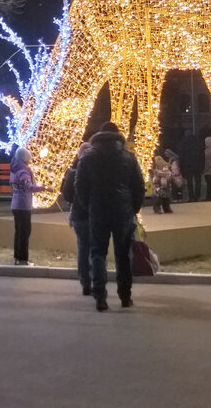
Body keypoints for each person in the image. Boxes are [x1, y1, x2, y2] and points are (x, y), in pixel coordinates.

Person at [76, 122, 146, 311]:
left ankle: (100, 297)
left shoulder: (88, 158)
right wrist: (132, 208)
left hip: (98, 210)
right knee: (123, 254)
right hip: (122, 211)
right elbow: (139, 187)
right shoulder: (128, 158)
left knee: (97, 252)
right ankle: (125, 296)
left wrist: (89, 205)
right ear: (118, 137)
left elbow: (80, 187)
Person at [61, 143, 92, 295]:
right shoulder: (96, 171)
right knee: (97, 249)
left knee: (82, 248)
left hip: (78, 215)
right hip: (94, 215)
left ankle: (85, 281)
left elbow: (66, 195)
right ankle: (96, 278)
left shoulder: (73, 172)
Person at [9, 146, 45, 266]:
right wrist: (44, 188)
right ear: (25, 158)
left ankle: (17, 257)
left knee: (18, 232)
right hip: (23, 205)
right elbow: (29, 187)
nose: (30, 161)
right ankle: (23, 259)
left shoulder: (13, 170)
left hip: (15, 204)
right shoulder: (23, 171)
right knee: (24, 233)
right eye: (29, 158)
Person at [178, 130, 203, 202]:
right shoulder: (198, 143)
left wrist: (182, 166)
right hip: (197, 166)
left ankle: (191, 196)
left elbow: (182, 156)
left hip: (188, 166)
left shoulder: (184, 143)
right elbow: (202, 156)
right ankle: (197, 196)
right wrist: (202, 166)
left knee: (189, 182)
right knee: (198, 181)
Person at [150, 149, 174, 214]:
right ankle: (167, 208)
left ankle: (157, 209)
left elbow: (153, 170)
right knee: (165, 194)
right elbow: (167, 166)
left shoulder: (154, 160)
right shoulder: (161, 159)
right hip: (164, 179)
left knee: (157, 195)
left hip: (157, 180)